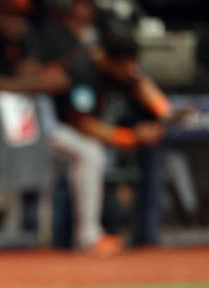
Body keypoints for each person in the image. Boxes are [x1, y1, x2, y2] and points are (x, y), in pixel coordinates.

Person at [45, 9, 174, 252]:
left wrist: (165, 112)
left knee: (101, 151)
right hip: (53, 130)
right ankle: (90, 236)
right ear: (110, 59)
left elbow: (140, 82)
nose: (130, 69)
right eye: (126, 64)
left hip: (85, 130)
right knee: (90, 153)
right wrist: (132, 137)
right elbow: (82, 124)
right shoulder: (84, 69)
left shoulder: (119, 67)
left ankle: (147, 234)